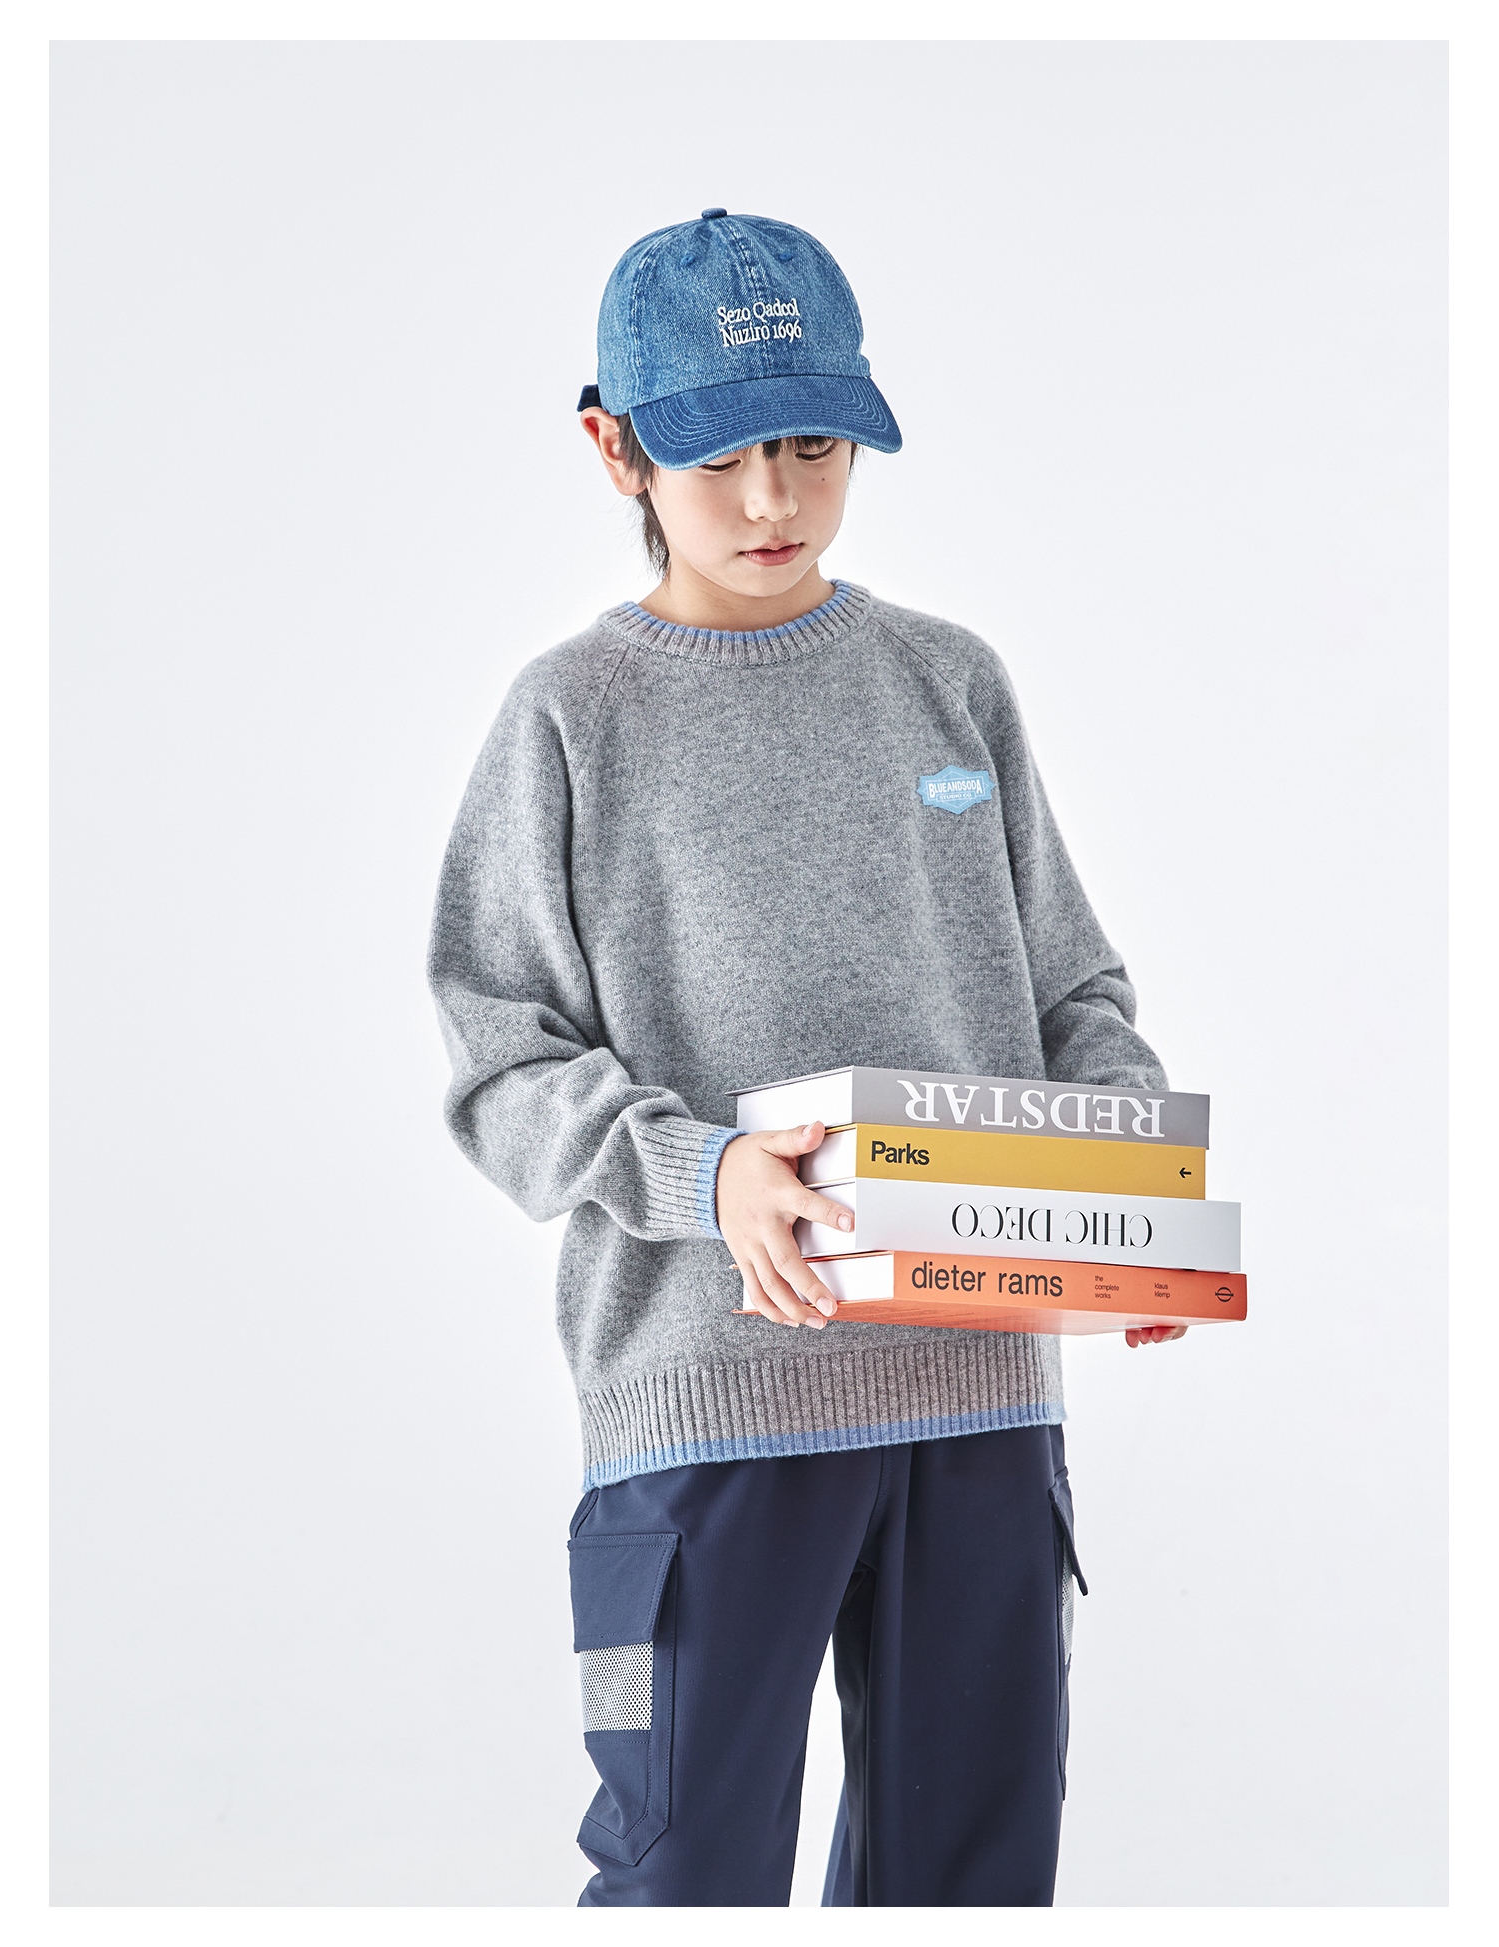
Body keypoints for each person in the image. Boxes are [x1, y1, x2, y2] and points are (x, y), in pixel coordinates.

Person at [428, 207, 1184, 1908]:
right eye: (718, 458)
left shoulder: (950, 683)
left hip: (978, 1396)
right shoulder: (570, 718)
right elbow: (499, 1056)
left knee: (970, 1878)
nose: (772, 500)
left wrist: (1130, 1193)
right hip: (705, 1403)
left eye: (813, 448)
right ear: (614, 447)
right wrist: (704, 1175)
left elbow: (1072, 991)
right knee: (681, 1871)